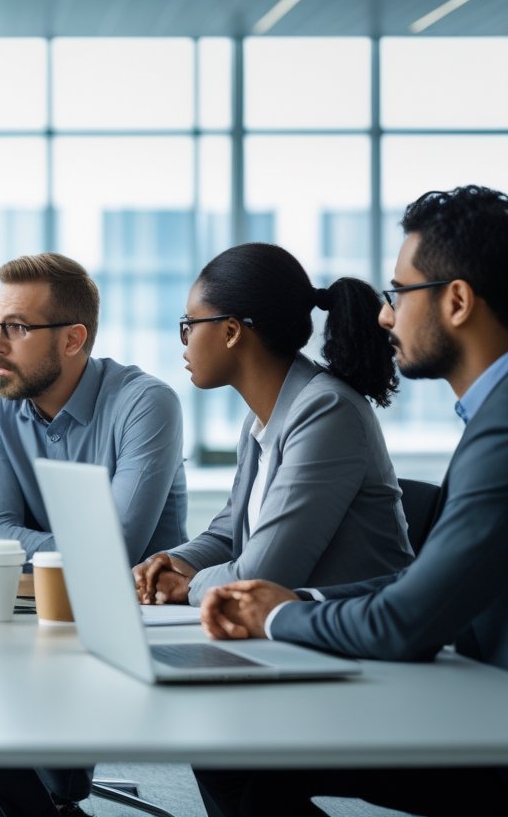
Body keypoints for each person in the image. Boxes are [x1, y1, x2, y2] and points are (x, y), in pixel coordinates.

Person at [193, 185, 508, 816]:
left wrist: (275, 616)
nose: (385, 316)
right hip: (467, 683)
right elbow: (424, 583)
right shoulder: (488, 419)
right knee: (234, 754)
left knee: (237, 748)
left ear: (456, 301)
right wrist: (298, 602)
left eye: (399, 293)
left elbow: (403, 622)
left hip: (482, 714)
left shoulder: (499, 429)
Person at [0, 251, 188, 814]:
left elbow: (113, 551)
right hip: (36, 612)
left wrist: (30, 548)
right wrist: (68, 554)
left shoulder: (146, 403)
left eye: (17, 328)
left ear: (73, 339)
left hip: (133, 618)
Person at [133, 243, 414, 608]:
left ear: (231, 331)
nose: (185, 342)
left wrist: (187, 586)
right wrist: (168, 562)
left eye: (190, 324)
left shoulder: (328, 411)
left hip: (358, 631)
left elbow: (262, 576)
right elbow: (228, 534)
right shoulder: (260, 421)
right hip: (296, 627)